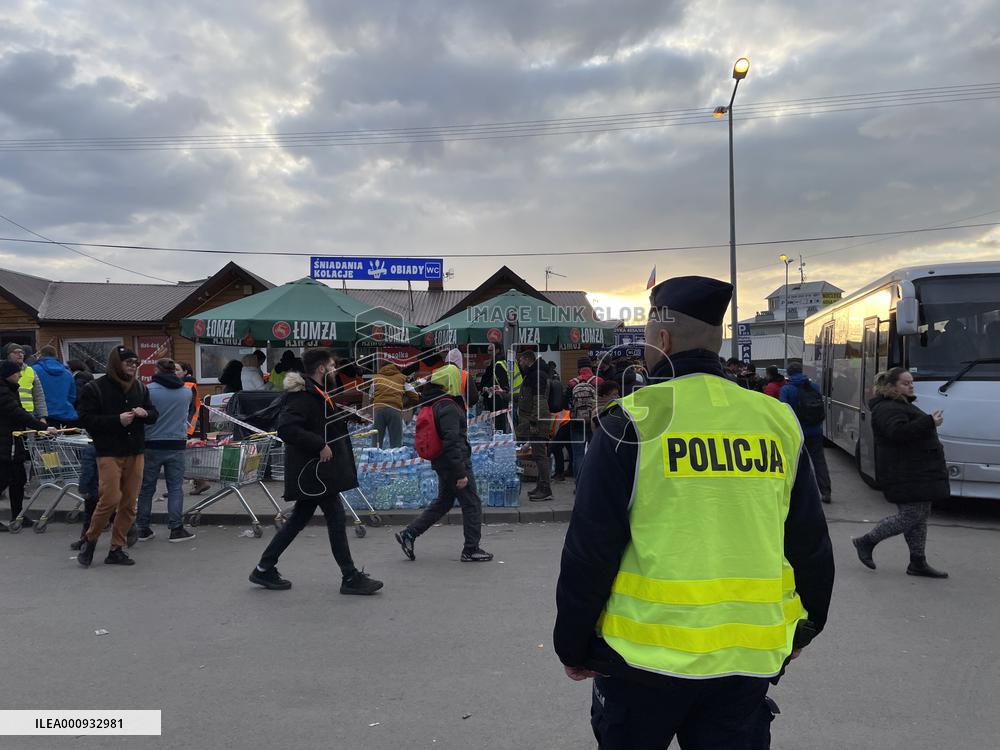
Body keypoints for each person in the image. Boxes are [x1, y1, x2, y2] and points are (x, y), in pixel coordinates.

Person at [554, 275, 834, 749]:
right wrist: (808, 626)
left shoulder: (633, 419)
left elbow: (590, 549)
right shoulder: (775, 420)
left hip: (642, 661)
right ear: (719, 339)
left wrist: (573, 643)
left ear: (661, 339)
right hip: (746, 659)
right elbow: (808, 539)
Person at [249, 348, 382, 595]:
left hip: (316, 473)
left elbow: (317, 420)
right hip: (314, 472)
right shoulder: (302, 394)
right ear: (321, 367)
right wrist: (319, 444)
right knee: (335, 518)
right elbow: (287, 429)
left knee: (300, 519)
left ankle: (264, 568)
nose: (334, 368)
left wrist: (346, 416)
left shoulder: (316, 392)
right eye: (331, 364)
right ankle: (350, 576)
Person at [852, 368, 949, 578]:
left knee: (920, 515)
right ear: (890, 386)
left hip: (914, 470)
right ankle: (866, 542)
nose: (911, 386)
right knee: (911, 515)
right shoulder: (888, 408)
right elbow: (897, 433)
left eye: (912, 383)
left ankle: (917, 562)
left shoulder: (898, 404)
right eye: (906, 383)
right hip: (905, 471)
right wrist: (929, 422)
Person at [393, 369, 492, 563]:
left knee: (444, 502)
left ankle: (409, 534)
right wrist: (461, 473)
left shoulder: (432, 403)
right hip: (455, 463)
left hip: (442, 462)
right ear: (451, 382)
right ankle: (471, 549)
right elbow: (452, 442)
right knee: (472, 503)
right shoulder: (448, 406)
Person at [75, 346, 159, 567]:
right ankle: (90, 540)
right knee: (110, 499)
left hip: (135, 451)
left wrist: (146, 414)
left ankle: (116, 548)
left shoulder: (140, 388)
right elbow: (84, 419)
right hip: (109, 452)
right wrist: (116, 420)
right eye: (128, 362)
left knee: (130, 503)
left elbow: (153, 414)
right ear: (115, 363)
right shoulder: (95, 388)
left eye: (135, 363)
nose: (132, 366)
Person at [134, 359, 196, 543]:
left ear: (156, 370)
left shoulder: (148, 390)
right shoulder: (186, 392)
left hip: (151, 444)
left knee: (146, 488)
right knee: (176, 488)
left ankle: (142, 527)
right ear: (175, 372)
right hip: (176, 443)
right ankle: (176, 528)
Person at [0, 360, 53, 531]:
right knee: (4, 480)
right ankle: (17, 515)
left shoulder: (10, 390)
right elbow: (18, 414)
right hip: (6, 443)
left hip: (14, 441)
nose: (20, 375)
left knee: (18, 480)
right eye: (17, 373)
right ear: (9, 374)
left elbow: (21, 413)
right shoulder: (3, 392)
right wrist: (43, 427)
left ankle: (19, 515)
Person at [780, 362, 832, 504]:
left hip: (797, 432)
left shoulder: (787, 389)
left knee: (796, 463)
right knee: (819, 461)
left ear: (789, 373)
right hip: (815, 430)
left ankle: (798, 495)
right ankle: (826, 491)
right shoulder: (813, 386)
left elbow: (784, 412)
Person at [515, 350, 553, 502]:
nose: (519, 363)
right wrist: (506, 394)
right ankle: (540, 486)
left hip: (538, 422)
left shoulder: (536, 375)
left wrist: (533, 422)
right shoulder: (533, 374)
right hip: (536, 420)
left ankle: (546, 488)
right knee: (538, 455)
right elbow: (527, 398)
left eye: (521, 360)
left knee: (539, 455)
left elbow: (540, 402)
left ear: (527, 359)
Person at [174, 361, 212, 496]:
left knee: (180, 457)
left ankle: (198, 482)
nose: (174, 372)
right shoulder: (184, 385)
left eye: (177, 370)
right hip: (186, 426)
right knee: (183, 456)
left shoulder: (187, 386)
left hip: (186, 427)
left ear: (185, 372)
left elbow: (186, 408)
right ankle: (200, 482)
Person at [565, 358, 602, 483]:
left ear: (578, 368)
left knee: (578, 454)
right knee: (595, 453)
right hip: (594, 421)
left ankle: (579, 483)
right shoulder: (598, 381)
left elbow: (566, 403)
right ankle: (594, 482)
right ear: (590, 367)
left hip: (576, 422)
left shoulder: (572, 383)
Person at [31, 345, 78, 428]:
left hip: (44, 417)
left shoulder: (33, 370)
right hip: (66, 415)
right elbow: (72, 396)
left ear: (41, 355)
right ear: (56, 355)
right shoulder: (67, 373)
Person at [371, 359, 413, 448]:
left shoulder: (376, 378)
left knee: (376, 439)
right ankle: (396, 458)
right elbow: (413, 395)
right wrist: (406, 404)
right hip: (395, 409)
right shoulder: (402, 377)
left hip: (379, 410)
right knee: (396, 440)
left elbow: (371, 395)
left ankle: (374, 457)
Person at [5, 343, 46, 420]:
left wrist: (42, 416)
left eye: (22, 352)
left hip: (29, 414)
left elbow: (38, 395)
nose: (20, 355)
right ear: (8, 355)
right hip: (9, 413)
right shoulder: (3, 370)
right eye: (16, 352)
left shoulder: (30, 371)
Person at [477, 343, 512, 432]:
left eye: (491, 350)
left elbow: (496, 379)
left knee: (499, 423)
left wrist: (487, 387)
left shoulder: (498, 363)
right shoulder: (498, 362)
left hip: (498, 397)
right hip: (499, 396)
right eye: (488, 350)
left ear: (497, 350)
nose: (488, 353)